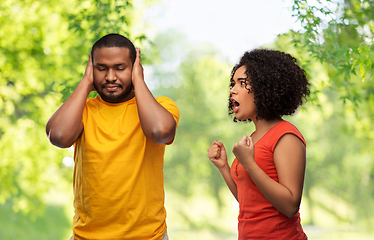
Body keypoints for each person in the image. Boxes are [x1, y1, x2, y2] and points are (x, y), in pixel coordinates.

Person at [46, 33, 179, 240]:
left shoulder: (161, 106)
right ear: (91, 69)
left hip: (147, 236)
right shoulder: (84, 109)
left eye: (120, 68)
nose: (110, 77)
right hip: (86, 236)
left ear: (135, 68)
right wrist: (85, 83)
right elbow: (59, 136)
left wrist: (139, 81)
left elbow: (160, 132)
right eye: (101, 69)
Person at [208, 49, 309, 240]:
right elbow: (248, 199)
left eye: (242, 83)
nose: (233, 90)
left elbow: (289, 206)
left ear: (265, 87)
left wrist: (249, 163)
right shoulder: (253, 138)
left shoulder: (286, 135)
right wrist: (223, 167)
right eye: (233, 83)